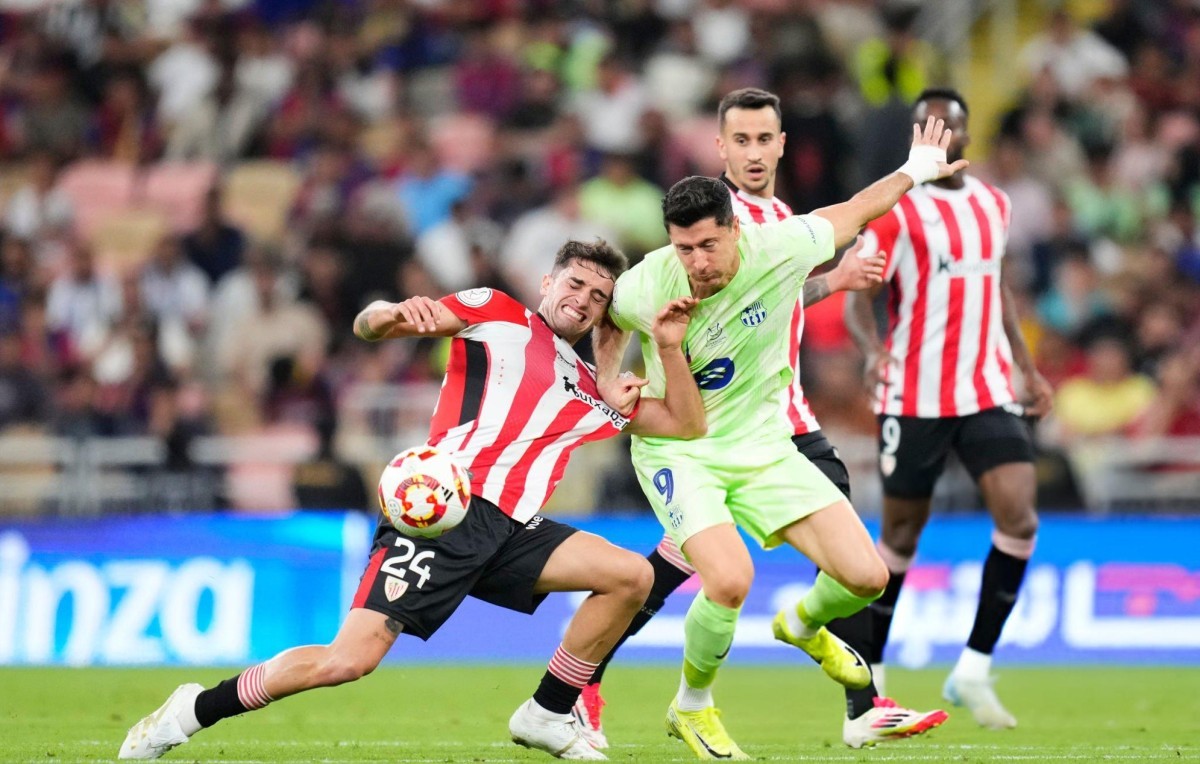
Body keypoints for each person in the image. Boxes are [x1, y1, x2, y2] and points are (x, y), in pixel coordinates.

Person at [118, 239, 708, 762]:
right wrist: (383, 316)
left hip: (511, 529)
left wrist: (668, 347)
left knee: (630, 577)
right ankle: (193, 710)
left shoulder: (593, 389)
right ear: (548, 282)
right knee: (347, 661)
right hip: (437, 513)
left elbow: (686, 424)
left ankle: (547, 712)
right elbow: (375, 324)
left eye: (599, 296)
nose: (582, 300)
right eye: (575, 284)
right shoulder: (497, 311)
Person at [573, 87, 946, 751]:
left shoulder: (780, 233)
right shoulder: (668, 260)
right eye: (739, 140)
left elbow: (852, 215)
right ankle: (664, 696)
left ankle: (804, 632)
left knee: (864, 576)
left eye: (763, 139)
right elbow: (607, 312)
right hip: (686, 444)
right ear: (720, 148)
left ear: (781, 145)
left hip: (769, 430)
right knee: (715, 575)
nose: (697, 262)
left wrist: (914, 171)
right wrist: (608, 381)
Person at [843, 89, 1054, 731]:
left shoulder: (995, 203)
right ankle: (873, 674)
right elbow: (857, 292)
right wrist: (872, 350)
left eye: (949, 126)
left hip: (986, 388)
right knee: (900, 537)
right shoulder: (898, 208)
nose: (938, 135)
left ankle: (974, 668)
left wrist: (1025, 367)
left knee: (1020, 518)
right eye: (925, 127)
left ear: (966, 134)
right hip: (915, 393)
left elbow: (998, 286)